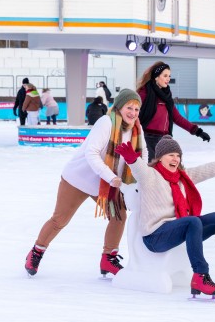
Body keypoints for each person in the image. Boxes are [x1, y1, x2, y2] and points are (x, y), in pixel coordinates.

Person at [114, 135, 215, 297]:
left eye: (178, 155)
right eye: (170, 155)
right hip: (155, 237)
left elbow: (209, 169)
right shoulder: (150, 176)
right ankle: (200, 276)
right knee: (192, 221)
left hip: (178, 229)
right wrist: (132, 159)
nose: (175, 159)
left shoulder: (182, 177)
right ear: (160, 158)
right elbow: (139, 169)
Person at [24, 89, 148, 277]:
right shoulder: (106, 122)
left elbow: (142, 156)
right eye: (129, 107)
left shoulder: (137, 129)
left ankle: (108, 258)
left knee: (119, 216)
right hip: (79, 179)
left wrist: (144, 177)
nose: (133, 113)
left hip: (106, 182)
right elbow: (92, 153)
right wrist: (111, 177)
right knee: (59, 220)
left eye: (137, 109)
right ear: (119, 107)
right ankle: (36, 252)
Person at [137, 61, 210, 160]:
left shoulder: (167, 96)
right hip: (148, 139)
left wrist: (197, 131)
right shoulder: (144, 93)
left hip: (165, 139)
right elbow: (134, 115)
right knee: (152, 171)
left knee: (169, 169)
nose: (168, 79)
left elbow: (177, 117)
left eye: (169, 76)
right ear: (156, 77)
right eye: (165, 75)